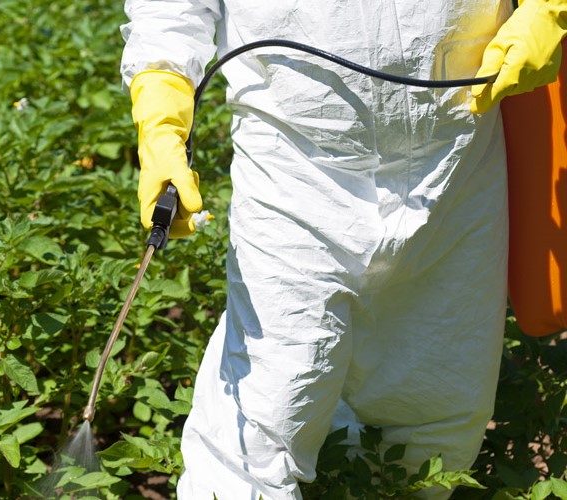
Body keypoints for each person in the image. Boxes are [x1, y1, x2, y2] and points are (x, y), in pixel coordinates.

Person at [120, 1, 567, 498]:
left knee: (440, 407)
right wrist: (160, 111)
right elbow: (172, 10)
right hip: (297, 163)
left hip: (458, 151)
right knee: (265, 416)